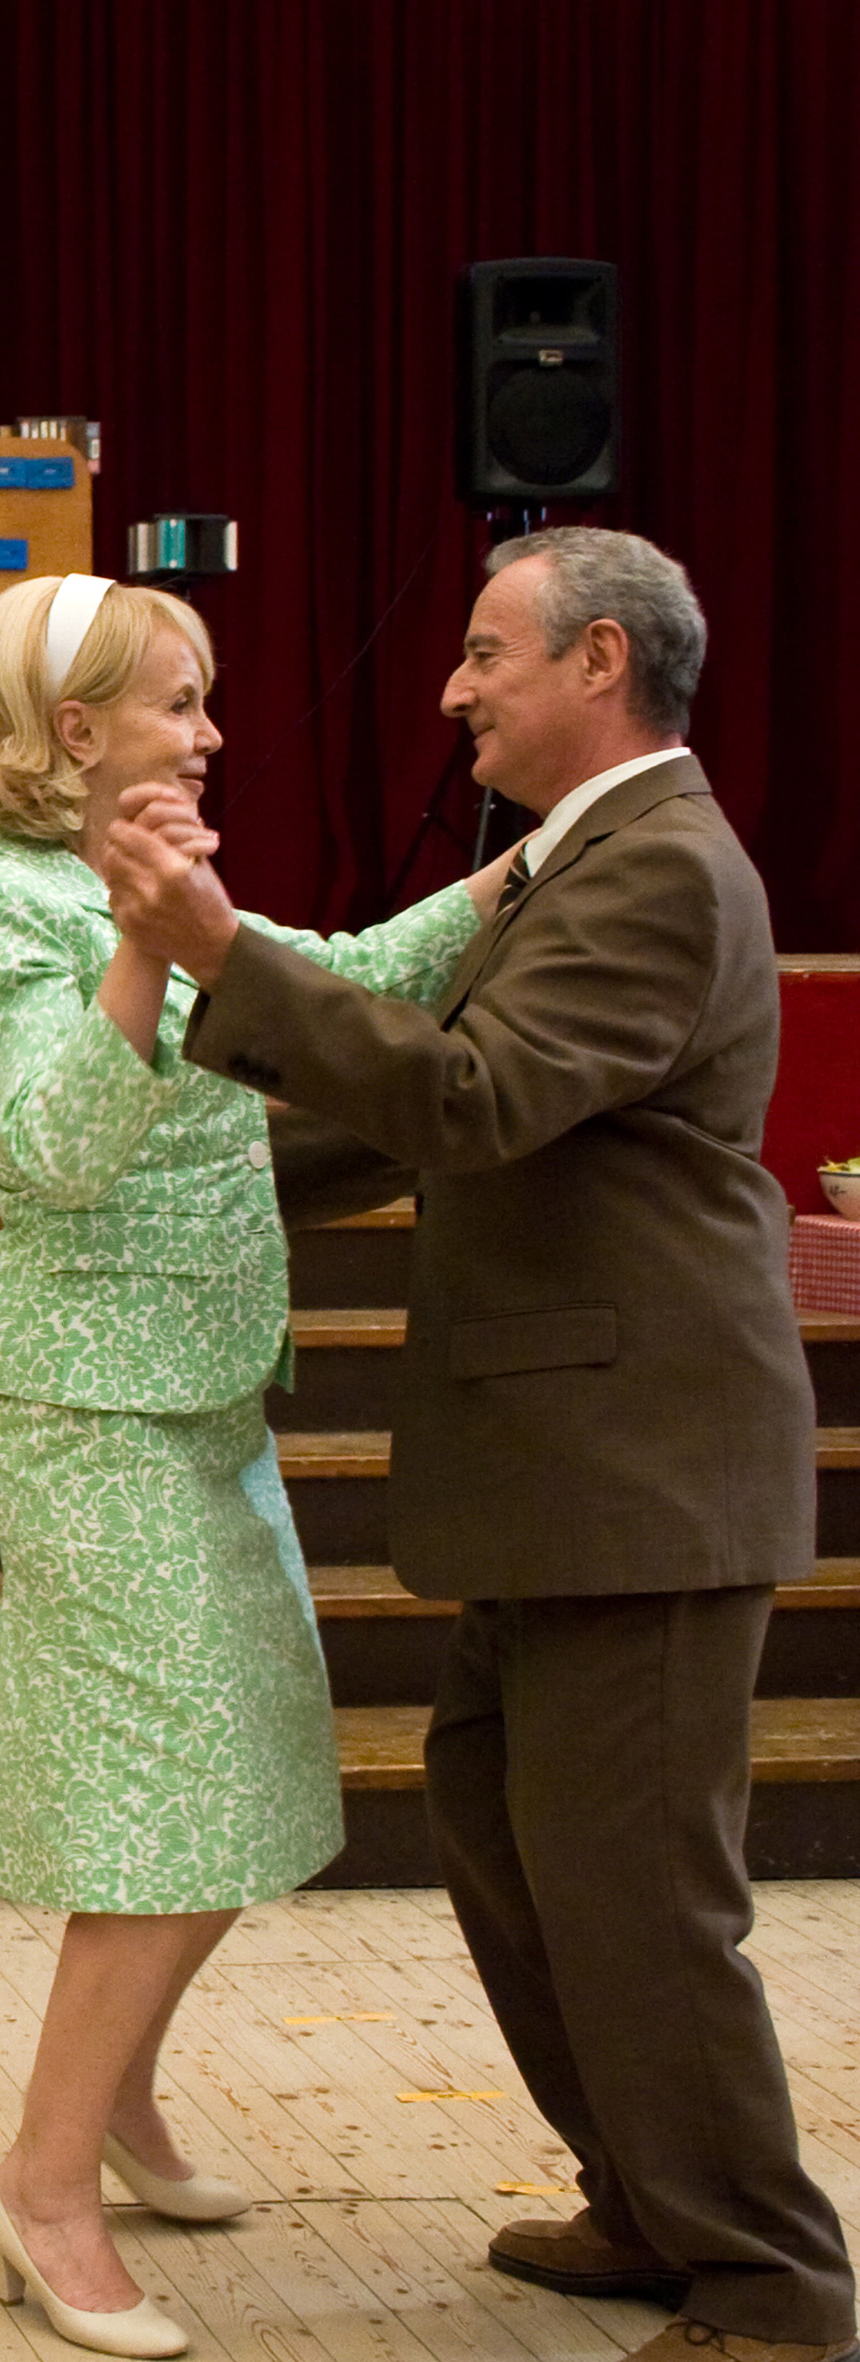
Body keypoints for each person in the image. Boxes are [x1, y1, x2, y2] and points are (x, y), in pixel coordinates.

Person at [103, 526, 857, 2362]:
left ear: (599, 660)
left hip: (638, 1473)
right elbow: (409, 1110)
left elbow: (472, 1095)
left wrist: (217, 950)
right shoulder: (590, 861)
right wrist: (136, 1179)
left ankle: (766, 2282)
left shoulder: (655, 864)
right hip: (573, 1470)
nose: (449, 690)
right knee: (520, 1849)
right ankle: (648, 2198)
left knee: (636, 1897)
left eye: (483, 653)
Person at [0, 571, 512, 2358]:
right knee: (174, 1801)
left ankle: (113, 2099)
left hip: (199, 1397)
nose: (211, 732)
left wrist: (513, 881)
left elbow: (323, 976)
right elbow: (55, 1146)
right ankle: (41, 2184)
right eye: (179, 703)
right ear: (76, 732)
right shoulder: (2, 914)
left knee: (226, 1771)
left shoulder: (152, 889)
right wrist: (139, 940)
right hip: (88, 1414)